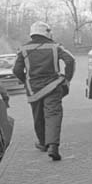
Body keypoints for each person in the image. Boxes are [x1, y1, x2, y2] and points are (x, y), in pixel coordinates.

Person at [13, 21, 75, 161]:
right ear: (47, 32)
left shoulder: (23, 49)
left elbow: (16, 70)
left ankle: (43, 143)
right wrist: (67, 78)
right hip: (53, 86)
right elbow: (70, 60)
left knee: (38, 116)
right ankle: (53, 146)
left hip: (33, 89)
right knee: (53, 115)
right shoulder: (55, 47)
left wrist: (25, 81)